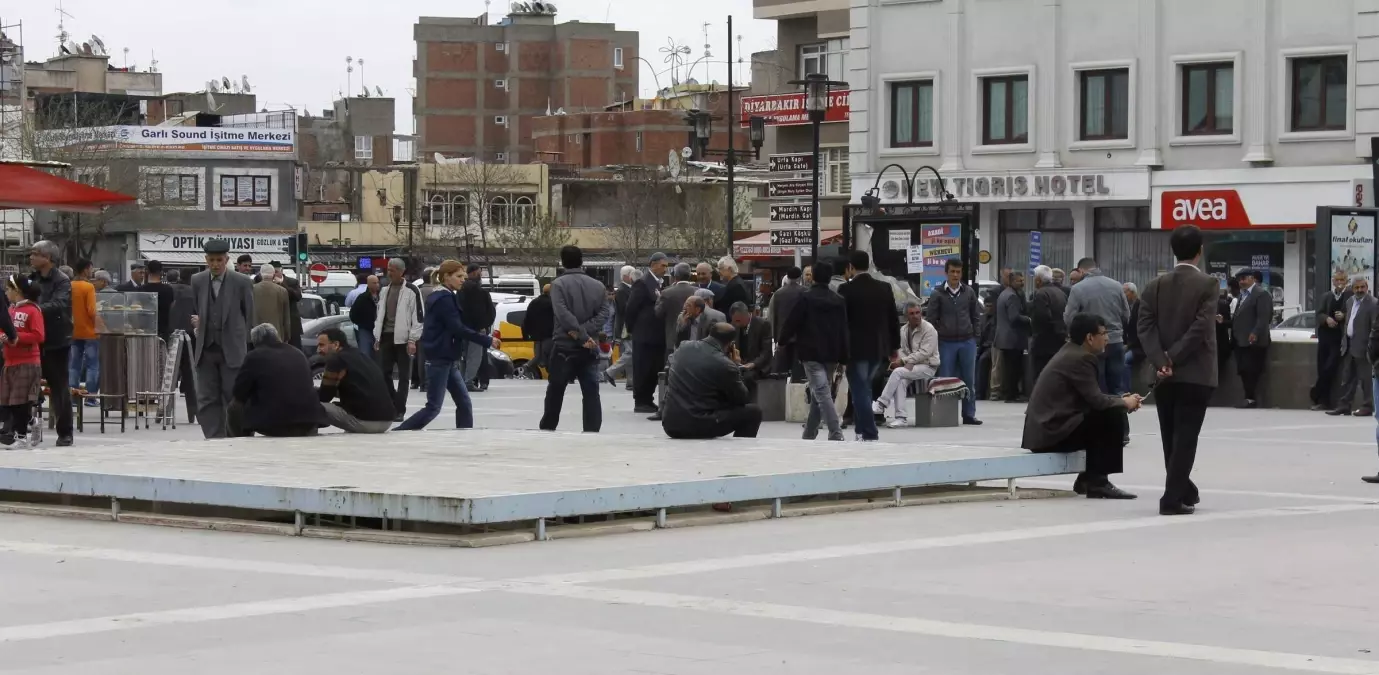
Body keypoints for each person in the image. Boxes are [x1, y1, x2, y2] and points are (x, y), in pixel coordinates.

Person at [1137, 224, 1218, 516]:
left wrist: (1161, 360)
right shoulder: (1208, 284)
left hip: (1163, 375)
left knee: (1169, 435)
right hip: (1196, 373)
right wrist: (1174, 357)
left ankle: (1183, 489)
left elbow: (1144, 326)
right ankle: (1171, 499)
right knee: (1186, 437)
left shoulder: (1154, 285)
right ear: (1200, 251)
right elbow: (1201, 328)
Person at [1023, 313, 1141, 501]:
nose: (1107, 338)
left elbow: (1091, 397)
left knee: (1106, 411)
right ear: (1089, 337)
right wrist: (1123, 403)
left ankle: (1087, 479)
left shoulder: (1071, 352)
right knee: (1111, 415)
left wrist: (1120, 399)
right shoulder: (1082, 358)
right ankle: (1098, 482)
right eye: (1103, 333)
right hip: (1050, 433)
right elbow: (1098, 402)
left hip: (1046, 429)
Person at [395, 260, 499, 431]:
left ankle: (465, 435)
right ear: (446, 277)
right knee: (434, 407)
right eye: (458, 276)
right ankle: (401, 432)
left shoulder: (446, 296)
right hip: (440, 358)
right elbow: (456, 328)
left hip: (446, 358)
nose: (462, 280)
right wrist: (486, 340)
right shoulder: (444, 298)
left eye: (463, 276)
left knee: (464, 403)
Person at [539, 246, 610, 432]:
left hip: (564, 346)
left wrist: (579, 334)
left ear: (562, 262)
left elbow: (563, 315)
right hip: (589, 347)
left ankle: (548, 427)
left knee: (556, 390)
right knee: (591, 391)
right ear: (582, 261)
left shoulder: (558, 285)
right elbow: (604, 314)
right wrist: (587, 334)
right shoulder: (598, 286)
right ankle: (592, 429)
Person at [190, 239, 255, 439]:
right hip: (206, 348)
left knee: (233, 395)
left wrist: (246, 345)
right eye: (211, 260)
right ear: (206, 260)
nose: (216, 264)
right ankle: (213, 436)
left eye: (220, 260)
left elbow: (250, 315)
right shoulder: (197, 280)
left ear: (227, 259)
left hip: (233, 349)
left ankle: (236, 434)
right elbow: (198, 307)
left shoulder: (242, 282)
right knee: (207, 397)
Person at [782, 260, 849, 441]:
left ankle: (835, 431)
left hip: (810, 351)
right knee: (821, 390)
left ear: (814, 277)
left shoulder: (805, 298)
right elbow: (844, 329)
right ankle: (810, 432)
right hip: (832, 352)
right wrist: (844, 355)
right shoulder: (838, 300)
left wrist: (782, 340)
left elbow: (791, 322)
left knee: (821, 391)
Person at [662, 322, 762, 439]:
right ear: (730, 344)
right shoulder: (725, 364)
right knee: (753, 412)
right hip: (698, 424)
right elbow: (742, 398)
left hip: (671, 424)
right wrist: (736, 365)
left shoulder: (683, 347)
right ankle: (739, 452)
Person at [837, 250, 899, 441]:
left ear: (850, 267)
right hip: (878, 348)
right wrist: (894, 347)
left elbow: (841, 323)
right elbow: (893, 319)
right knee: (865, 388)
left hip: (855, 349)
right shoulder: (884, 288)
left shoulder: (845, 290)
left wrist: (840, 351)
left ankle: (869, 432)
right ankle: (860, 431)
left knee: (860, 390)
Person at [229, 324, 323, 437]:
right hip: (310, 422)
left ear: (255, 342)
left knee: (234, 406)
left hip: (275, 425)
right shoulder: (298, 353)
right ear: (277, 336)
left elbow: (239, 393)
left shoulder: (254, 356)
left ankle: (239, 440)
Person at [926, 259, 983, 425]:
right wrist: (936, 339)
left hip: (967, 341)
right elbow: (931, 319)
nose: (955, 275)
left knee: (969, 380)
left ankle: (969, 414)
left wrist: (975, 336)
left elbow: (975, 316)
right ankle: (945, 414)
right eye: (952, 272)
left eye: (958, 272)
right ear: (946, 273)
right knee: (945, 379)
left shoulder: (969, 292)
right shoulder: (937, 294)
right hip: (946, 342)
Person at [28, 241, 74, 446]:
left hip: (56, 341)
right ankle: (22, 426)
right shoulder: (31, 279)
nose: (31, 258)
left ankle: (65, 432)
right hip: (32, 339)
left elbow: (59, 304)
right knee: (26, 383)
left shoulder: (62, 280)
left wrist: (33, 311)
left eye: (35, 254)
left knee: (59, 387)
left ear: (47, 258)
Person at [1064, 258, 1131, 394]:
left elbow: (1069, 318)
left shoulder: (1078, 289)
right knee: (1117, 385)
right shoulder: (1117, 285)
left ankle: (1098, 414)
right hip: (1115, 340)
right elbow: (1126, 314)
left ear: (1081, 270)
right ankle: (1118, 412)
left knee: (1095, 386)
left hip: (1091, 343)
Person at [316, 327, 395, 434]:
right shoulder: (361, 356)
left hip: (366, 423)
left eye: (321, 345)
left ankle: (307, 431)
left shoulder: (335, 360)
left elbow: (324, 397)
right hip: (387, 421)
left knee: (313, 404)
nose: (318, 350)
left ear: (335, 345)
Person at [873, 301, 939, 428]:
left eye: (918, 312)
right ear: (906, 317)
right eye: (912, 314)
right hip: (911, 365)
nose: (915, 316)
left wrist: (904, 362)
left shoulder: (929, 329)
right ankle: (901, 417)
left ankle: (881, 403)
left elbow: (925, 353)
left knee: (898, 373)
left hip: (928, 366)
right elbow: (901, 350)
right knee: (901, 380)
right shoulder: (903, 330)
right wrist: (904, 361)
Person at [373, 259, 424, 419]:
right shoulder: (384, 290)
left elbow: (418, 316)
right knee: (383, 373)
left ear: (401, 272)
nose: (390, 273)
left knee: (403, 376)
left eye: (393, 270)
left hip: (403, 338)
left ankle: (399, 409)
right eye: (388, 269)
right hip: (386, 336)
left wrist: (412, 339)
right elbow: (379, 314)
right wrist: (377, 336)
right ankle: (394, 402)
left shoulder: (412, 290)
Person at [625, 252, 670, 414]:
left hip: (656, 335)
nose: (665, 269)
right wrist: (633, 329)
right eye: (663, 265)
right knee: (643, 368)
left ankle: (648, 398)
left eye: (666, 266)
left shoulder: (659, 283)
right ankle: (641, 400)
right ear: (653, 264)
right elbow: (631, 308)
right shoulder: (643, 283)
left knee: (654, 368)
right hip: (644, 334)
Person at [0, 275, 42, 448]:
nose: (6, 293)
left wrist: (16, 337)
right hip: (9, 361)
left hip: (27, 361)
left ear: (17, 291)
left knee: (20, 401)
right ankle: (33, 421)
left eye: (9, 289)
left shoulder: (33, 310)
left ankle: (22, 437)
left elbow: (39, 335)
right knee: (9, 402)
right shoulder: (9, 310)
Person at [1329, 278, 1377, 416]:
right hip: (1349, 344)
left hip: (1365, 347)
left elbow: (1375, 326)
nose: (1359, 290)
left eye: (1362, 287)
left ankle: (1367, 406)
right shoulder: (1350, 301)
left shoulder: (1373, 304)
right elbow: (1348, 322)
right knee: (1348, 377)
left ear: (1367, 287)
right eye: (1356, 288)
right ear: (1353, 289)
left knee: (1366, 379)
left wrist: (1371, 346)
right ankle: (1344, 405)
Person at [1231, 269, 1273, 408]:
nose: (1241, 281)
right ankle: (1248, 397)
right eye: (1239, 279)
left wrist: (1255, 332)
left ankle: (1251, 398)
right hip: (1240, 340)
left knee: (1251, 370)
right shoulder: (1242, 295)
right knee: (1243, 369)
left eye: (1244, 278)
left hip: (1254, 341)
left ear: (1252, 279)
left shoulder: (1261, 294)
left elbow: (1264, 317)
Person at [1313, 270, 1352, 411]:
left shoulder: (1350, 296)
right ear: (1333, 281)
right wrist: (1326, 319)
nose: (1340, 283)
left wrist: (1344, 316)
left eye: (1343, 280)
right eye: (1337, 280)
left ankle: (1316, 393)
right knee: (1322, 366)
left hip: (1339, 338)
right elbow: (1318, 314)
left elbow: (1354, 314)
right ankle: (1323, 400)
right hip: (1325, 337)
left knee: (1330, 367)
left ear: (1346, 281)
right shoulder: (1326, 296)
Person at [995, 271, 1031, 402]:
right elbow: (1014, 317)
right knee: (1013, 368)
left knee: (1009, 367)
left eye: (1022, 280)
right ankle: (1011, 394)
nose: (1022, 283)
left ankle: (1010, 393)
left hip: (1005, 337)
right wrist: (1029, 319)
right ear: (1011, 282)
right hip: (1012, 338)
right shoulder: (1012, 296)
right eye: (1018, 281)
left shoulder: (1005, 293)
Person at [1029, 265, 1067, 384]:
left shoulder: (1041, 294)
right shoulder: (1060, 293)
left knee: (1041, 374)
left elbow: (1042, 317)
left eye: (1034, 278)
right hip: (1060, 338)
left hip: (1044, 341)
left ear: (1039, 279)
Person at [459, 264, 495, 389]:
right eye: (480, 273)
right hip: (477, 329)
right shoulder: (479, 292)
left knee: (464, 357)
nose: (481, 276)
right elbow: (484, 311)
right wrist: (483, 325)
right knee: (475, 357)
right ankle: (469, 382)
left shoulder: (460, 290)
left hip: (463, 329)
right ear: (474, 273)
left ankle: (462, 381)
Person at [167, 268, 197, 419]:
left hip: (172, 337)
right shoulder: (194, 293)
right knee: (191, 375)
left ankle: (163, 410)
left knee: (168, 376)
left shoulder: (170, 290)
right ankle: (193, 412)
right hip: (190, 338)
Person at [69, 259, 99, 402]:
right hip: (90, 332)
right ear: (86, 269)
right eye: (91, 269)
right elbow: (92, 311)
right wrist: (101, 326)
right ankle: (90, 397)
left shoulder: (69, 286)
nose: (92, 272)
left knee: (74, 365)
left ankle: (73, 398)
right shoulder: (88, 287)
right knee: (92, 365)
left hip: (73, 331)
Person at [729, 301, 771, 398]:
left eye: (738, 321)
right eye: (734, 321)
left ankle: (745, 404)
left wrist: (753, 364)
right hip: (740, 363)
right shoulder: (735, 325)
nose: (736, 324)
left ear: (747, 315)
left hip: (758, 365)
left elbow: (766, 352)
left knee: (745, 378)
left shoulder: (763, 325)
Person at [604, 267, 637, 387]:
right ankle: (610, 372)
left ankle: (630, 382)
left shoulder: (628, 289)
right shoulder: (623, 291)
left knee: (630, 354)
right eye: (632, 275)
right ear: (625, 276)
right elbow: (625, 309)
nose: (633, 277)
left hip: (627, 327)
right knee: (630, 352)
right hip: (625, 327)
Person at [768, 266, 804, 374]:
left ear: (787, 277)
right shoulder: (805, 292)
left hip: (782, 337)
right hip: (801, 336)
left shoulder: (778, 293)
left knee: (782, 370)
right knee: (799, 370)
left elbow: (773, 316)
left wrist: (775, 337)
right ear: (800, 277)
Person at [251, 263, 292, 344]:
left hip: (256, 336)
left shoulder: (252, 289)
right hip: (276, 335)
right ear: (273, 275)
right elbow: (286, 317)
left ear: (260, 274)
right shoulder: (282, 291)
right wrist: (287, 335)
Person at [524, 284, 555, 377]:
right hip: (549, 335)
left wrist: (528, 333)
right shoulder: (552, 303)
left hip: (536, 336)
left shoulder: (533, 302)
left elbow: (527, 319)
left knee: (538, 356)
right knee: (550, 355)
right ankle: (551, 374)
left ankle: (528, 366)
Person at [269, 261, 303, 346]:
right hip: (275, 322)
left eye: (276, 272)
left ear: (281, 271)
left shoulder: (292, 282)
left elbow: (297, 296)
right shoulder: (267, 283)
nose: (274, 275)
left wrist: (282, 284)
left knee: (294, 347)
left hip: (291, 322)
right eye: (272, 273)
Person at [142, 260, 176, 342]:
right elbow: (172, 306)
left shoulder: (141, 290)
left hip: (145, 331)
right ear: (161, 272)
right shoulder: (168, 289)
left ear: (148, 271)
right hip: (163, 330)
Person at [349, 275, 380, 356]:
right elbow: (353, 314)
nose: (377, 285)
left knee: (379, 355)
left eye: (377, 282)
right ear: (368, 284)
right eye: (374, 283)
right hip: (366, 330)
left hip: (380, 330)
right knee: (365, 353)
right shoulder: (362, 298)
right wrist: (362, 324)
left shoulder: (382, 296)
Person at [1123, 282, 1143, 393]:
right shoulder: (1128, 306)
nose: (1123, 295)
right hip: (1131, 344)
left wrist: (1129, 345)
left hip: (1139, 347)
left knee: (1125, 361)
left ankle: (1126, 391)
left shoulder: (1139, 306)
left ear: (1132, 292)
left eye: (1124, 292)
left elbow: (1137, 330)